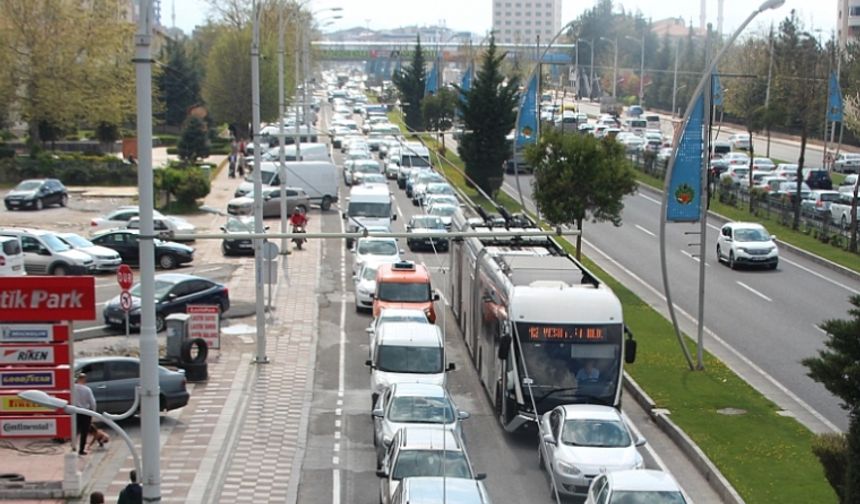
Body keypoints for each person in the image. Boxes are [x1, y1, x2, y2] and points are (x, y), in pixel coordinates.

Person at [72, 373, 96, 455]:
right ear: (83, 379)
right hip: (85, 412)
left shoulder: (73, 388)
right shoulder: (87, 389)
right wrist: (93, 412)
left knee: (75, 430)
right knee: (84, 432)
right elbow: (92, 402)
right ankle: (81, 450)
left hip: (75, 411)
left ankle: (73, 446)